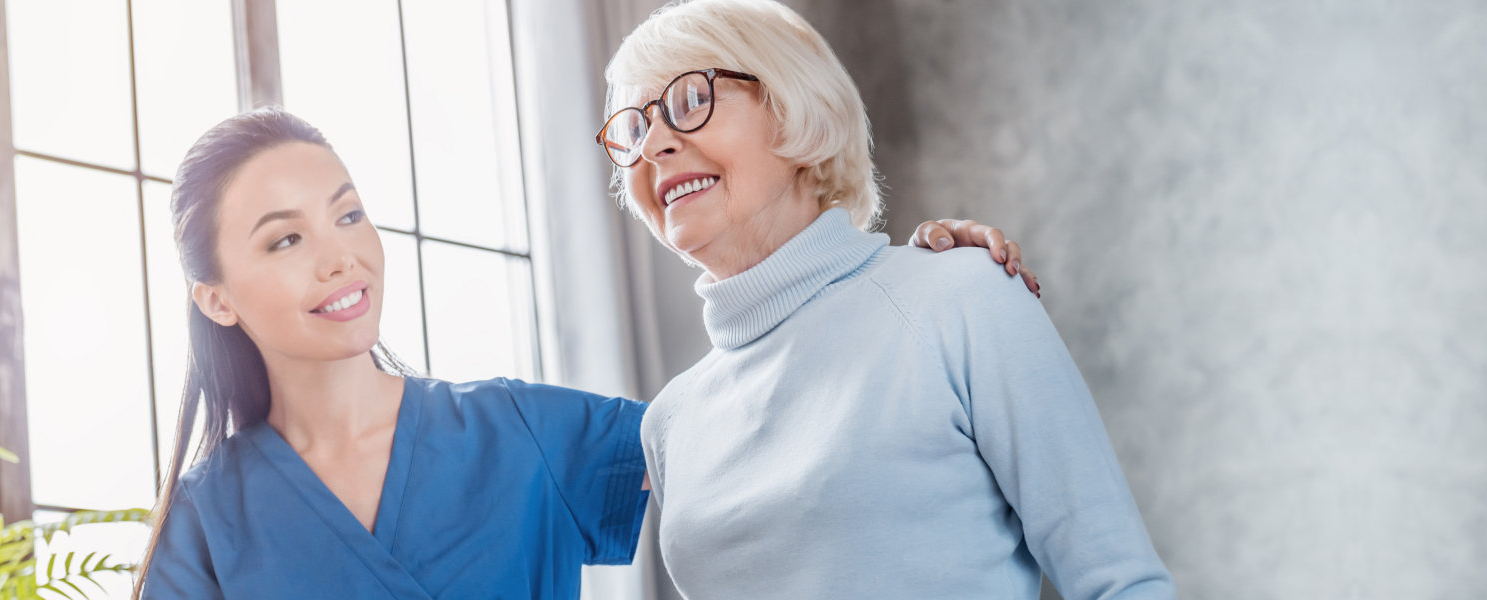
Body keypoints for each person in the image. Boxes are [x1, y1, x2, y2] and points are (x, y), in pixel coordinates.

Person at [132, 108, 1035, 598]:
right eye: (283, 240)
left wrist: (898, 287)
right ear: (214, 297)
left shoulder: (525, 433)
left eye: (348, 213)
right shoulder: (207, 523)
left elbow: (782, 429)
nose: (341, 255)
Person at [600, 0, 1175, 597]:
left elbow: (1120, 582)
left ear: (795, 107)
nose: (654, 145)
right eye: (633, 128)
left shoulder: (964, 297)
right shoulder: (670, 422)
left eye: (692, 100)